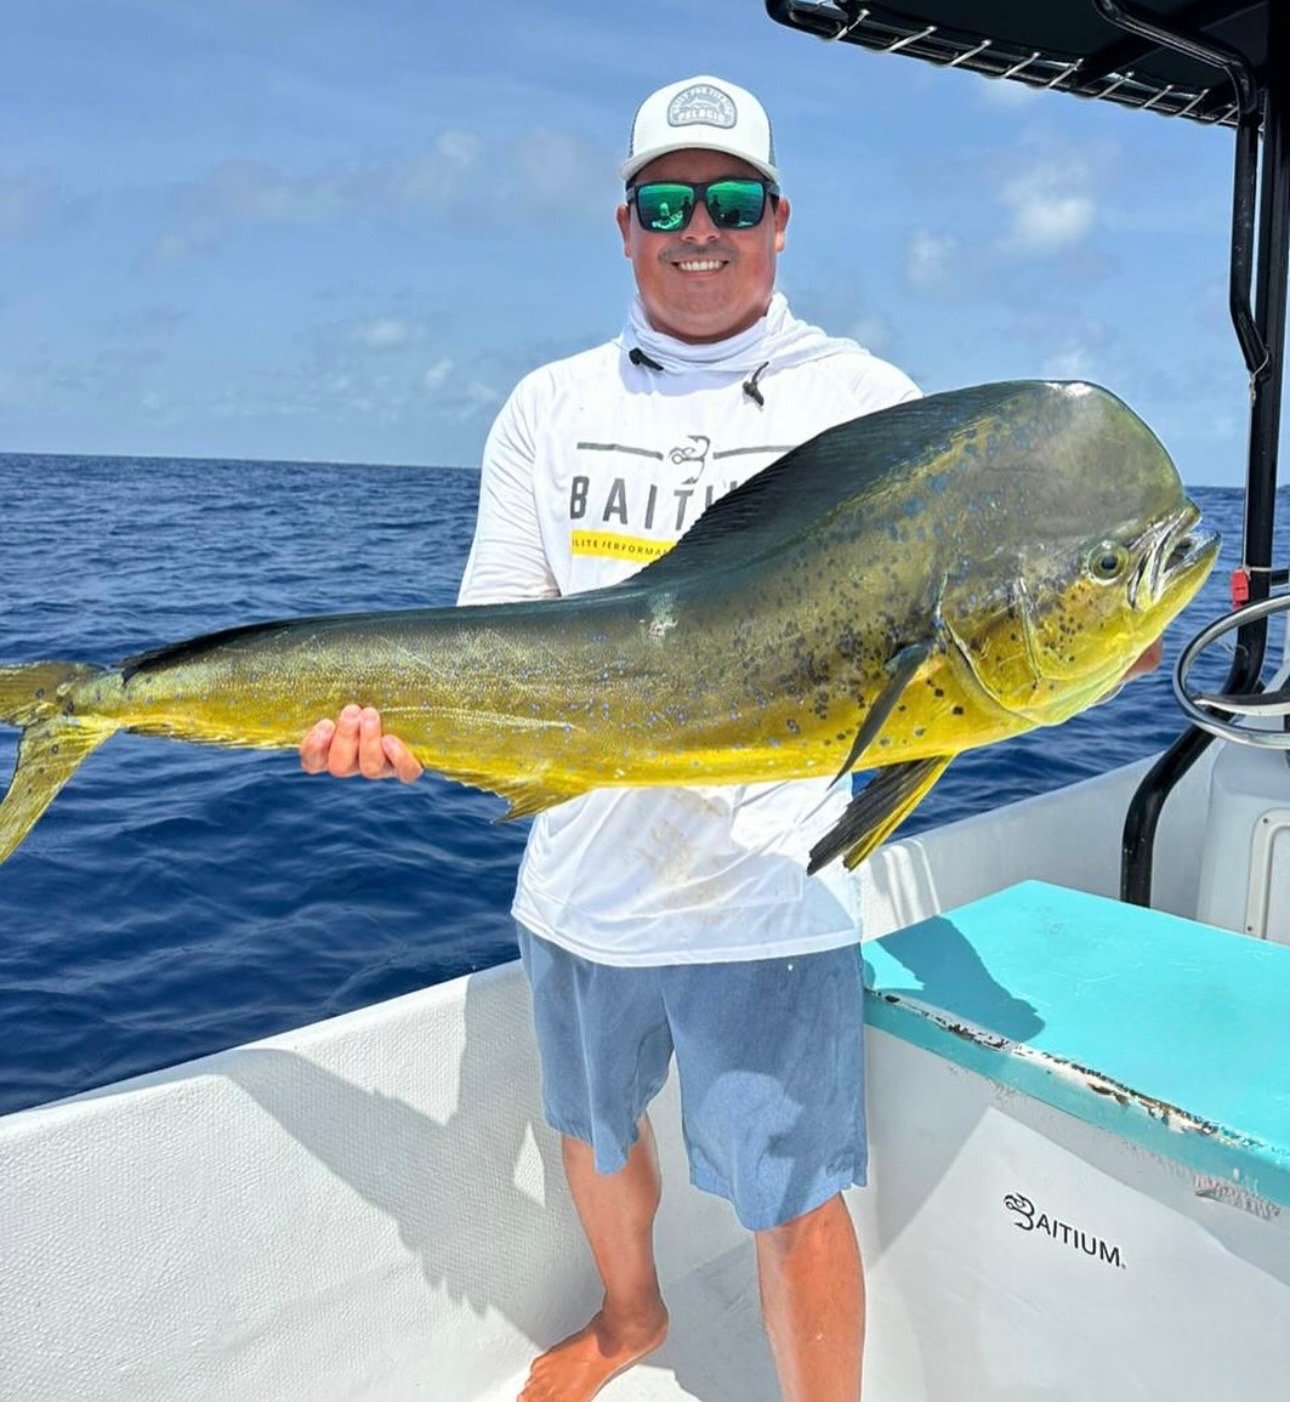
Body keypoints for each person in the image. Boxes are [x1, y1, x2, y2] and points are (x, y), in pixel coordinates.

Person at [300, 75, 1159, 1402]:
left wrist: (1100, 643)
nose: (699, 228)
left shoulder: (867, 399)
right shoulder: (547, 405)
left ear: (778, 218)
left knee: (794, 1198)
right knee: (595, 1134)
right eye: (665, 203)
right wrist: (399, 731)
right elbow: (492, 633)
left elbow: (966, 634)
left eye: (732, 201)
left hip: (770, 898)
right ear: (625, 225)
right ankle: (629, 1316)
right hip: (580, 878)